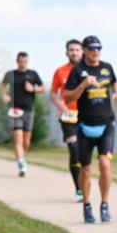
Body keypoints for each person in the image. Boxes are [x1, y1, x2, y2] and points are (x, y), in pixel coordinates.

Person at [64, 35, 117, 223]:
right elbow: (68, 98)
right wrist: (83, 85)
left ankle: (105, 205)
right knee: (86, 170)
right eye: (92, 48)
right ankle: (87, 206)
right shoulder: (77, 70)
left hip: (106, 124)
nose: (96, 51)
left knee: (105, 163)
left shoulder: (107, 67)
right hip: (84, 126)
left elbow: (113, 82)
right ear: (85, 50)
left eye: (98, 47)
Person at [50, 39, 85, 201]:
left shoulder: (88, 70)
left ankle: (85, 182)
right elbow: (53, 93)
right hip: (68, 115)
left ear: (82, 51)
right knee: (73, 147)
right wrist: (61, 105)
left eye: (77, 50)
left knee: (84, 151)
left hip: (86, 114)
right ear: (66, 53)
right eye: (71, 50)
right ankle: (79, 189)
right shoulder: (60, 71)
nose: (74, 53)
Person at [1, 52, 45, 177]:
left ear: (27, 61)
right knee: (18, 137)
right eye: (20, 61)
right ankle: (21, 163)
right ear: (17, 61)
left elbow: (42, 88)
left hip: (29, 110)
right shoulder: (11, 74)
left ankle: (21, 156)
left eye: (25, 62)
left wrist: (33, 89)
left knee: (26, 141)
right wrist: (4, 95)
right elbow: (3, 85)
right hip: (14, 110)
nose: (22, 64)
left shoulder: (33, 74)